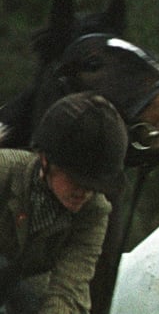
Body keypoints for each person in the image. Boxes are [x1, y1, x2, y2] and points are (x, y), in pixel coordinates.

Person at [0, 92, 127, 314]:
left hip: (23, 286)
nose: (85, 192)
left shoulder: (94, 212)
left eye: (95, 186)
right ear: (46, 160)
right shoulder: (4, 171)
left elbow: (69, 291)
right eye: (76, 180)